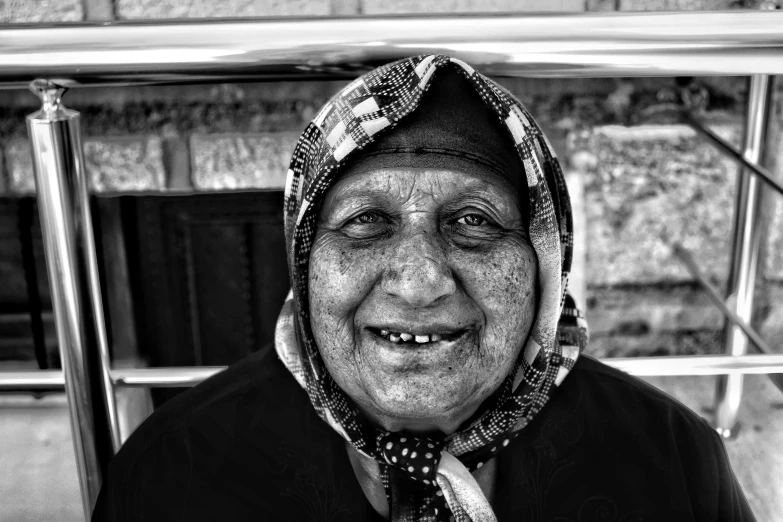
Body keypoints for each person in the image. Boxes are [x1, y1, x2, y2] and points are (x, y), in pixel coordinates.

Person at [92, 55, 755, 521]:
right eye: (365, 221)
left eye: (472, 221)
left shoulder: (669, 460)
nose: (418, 282)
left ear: (544, 261)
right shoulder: (173, 469)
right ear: (303, 258)